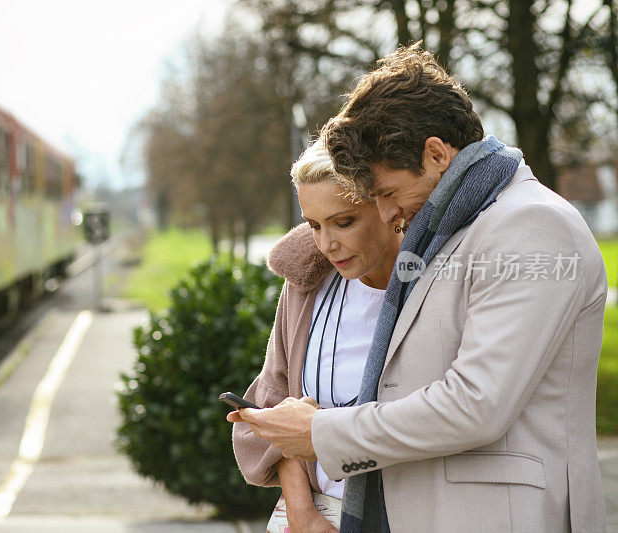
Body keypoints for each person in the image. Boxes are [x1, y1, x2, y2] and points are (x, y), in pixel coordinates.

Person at [229, 44, 607, 532]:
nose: (386, 214)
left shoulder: (531, 224)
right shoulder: (449, 230)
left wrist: (323, 433)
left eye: (386, 193)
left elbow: (476, 405)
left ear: (435, 154)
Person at [230, 139, 401, 532]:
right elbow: (274, 399)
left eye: (344, 222)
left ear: (388, 208)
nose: (327, 245)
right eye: (314, 226)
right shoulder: (307, 284)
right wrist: (303, 515)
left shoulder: (427, 290)